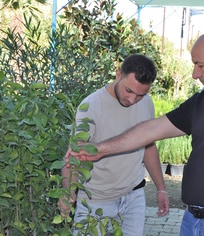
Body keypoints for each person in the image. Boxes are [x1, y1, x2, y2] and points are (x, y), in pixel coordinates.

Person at [68, 29, 204, 236]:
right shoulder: (202, 101)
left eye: (200, 65)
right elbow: (152, 129)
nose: (194, 74)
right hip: (192, 221)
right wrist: (100, 148)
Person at [59, 54, 169, 236]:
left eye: (140, 95)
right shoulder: (91, 106)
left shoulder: (147, 103)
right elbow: (74, 154)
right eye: (128, 90)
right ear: (118, 74)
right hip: (95, 200)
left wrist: (162, 188)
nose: (132, 100)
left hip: (134, 197)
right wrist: (68, 192)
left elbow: (148, 147)